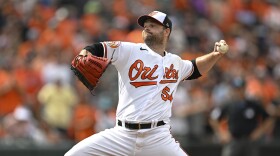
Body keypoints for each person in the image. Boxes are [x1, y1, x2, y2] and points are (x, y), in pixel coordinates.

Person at [65, 11, 228, 156]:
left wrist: (216, 55)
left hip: (158, 137)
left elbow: (195, 68)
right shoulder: (129, 50)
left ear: (166, 31)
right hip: (122, 135)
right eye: (146, 25)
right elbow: (97, 48)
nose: (147, 28)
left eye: (153, 25)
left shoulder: (175, 62)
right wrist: (85, 52)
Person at [210, 77, 273, 156]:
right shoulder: (228, 104)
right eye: (236, 89)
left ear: (244, 89)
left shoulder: (253, 104)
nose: (238, 91)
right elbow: (213, 119)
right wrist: (222, 133)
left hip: (250, 140)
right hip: (233, 140)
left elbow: (268, 118)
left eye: (240, 89)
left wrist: (259, 132)